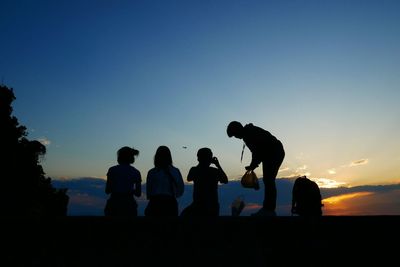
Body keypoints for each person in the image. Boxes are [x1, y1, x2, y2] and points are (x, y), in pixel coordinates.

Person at [227, 121, 285, 216]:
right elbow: (257, 152)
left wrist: (253, 165)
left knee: (268, 180)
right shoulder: (248, 133)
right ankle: (268, 209)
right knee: (268, 180)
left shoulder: (250, 133)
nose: (236, 137)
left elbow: (259, 150)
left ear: (237, 130)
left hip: (274, 152)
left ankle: (269, 210)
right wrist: (252, 165)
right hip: (272, 152)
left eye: (234, 135)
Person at [180, 147, 228, 216]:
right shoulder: (214, 171)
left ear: (198, 159)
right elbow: (225, 180)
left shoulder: (195, 170)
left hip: (199, 205)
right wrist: (218, 165)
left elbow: (189, 178)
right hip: (211, 206)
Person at [145, 145, 184, 216]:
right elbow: (180, 190)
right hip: (170, 203)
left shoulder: (152, 172)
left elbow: (149, 191)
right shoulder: (175, 171)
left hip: (155, 203)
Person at [104, 146, 142, 216]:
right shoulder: (136, 172)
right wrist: (129, 189)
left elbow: (107, 190)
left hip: (114, 204)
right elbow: (138, 193)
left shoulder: (112, 170)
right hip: (129, 205)